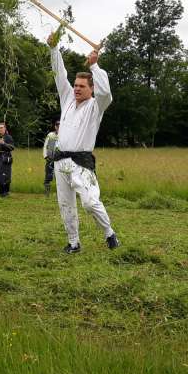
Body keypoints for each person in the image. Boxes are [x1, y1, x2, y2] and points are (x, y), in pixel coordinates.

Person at [48, 27, 119, 254]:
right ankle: (73, 243)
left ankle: (109, 233)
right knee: (65, 205)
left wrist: (95, 66)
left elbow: (107, 93)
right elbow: (60, 74)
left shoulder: (96, 106)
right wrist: (53, 48)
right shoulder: (67, 98)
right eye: (76, 85)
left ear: (91, 89)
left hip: (81, 163)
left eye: (81, 86)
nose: (76, 89)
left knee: (89, 202)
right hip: (60, 161)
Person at [42, 120, 59, 197]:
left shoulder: (65, 135)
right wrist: (45, 156)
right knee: (48, 176)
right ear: (55, 126)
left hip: (59, 160)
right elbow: (45, 146)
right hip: (50, 158)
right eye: (57, 125)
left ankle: (60, 194)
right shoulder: (50, 135)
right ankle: (47, 193)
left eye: (60, 125)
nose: (58, 127)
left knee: (59, 178)